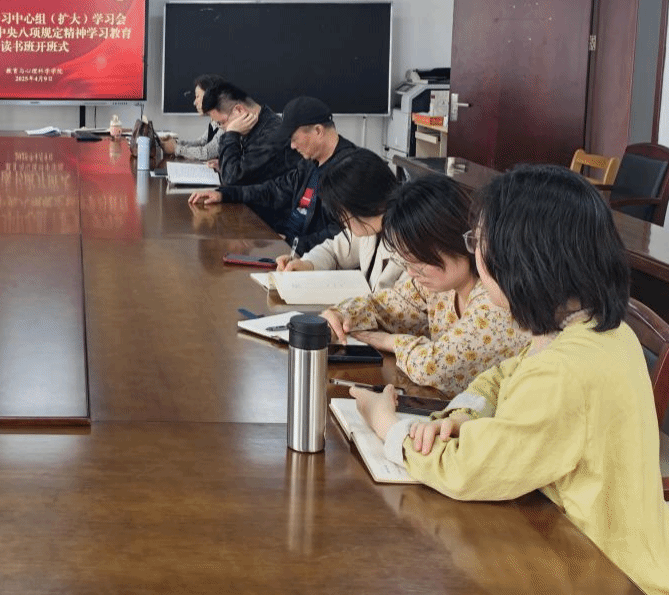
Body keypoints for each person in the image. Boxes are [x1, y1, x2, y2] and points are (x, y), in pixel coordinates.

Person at [352, 165, 669, 593]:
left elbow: (469, 468)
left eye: (478, 242)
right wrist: (463, 415)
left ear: (523, 260)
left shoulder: (564, 372)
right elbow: (505, 374)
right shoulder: (594, 331)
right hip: (598, 540)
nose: (474, 253)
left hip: (604, 569)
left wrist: (389, 428)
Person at [320, 174, 528, 396]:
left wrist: (392, 342)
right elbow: (383, 307)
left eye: (420, 261)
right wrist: (340, 315)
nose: (411, 272)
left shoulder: (495, 299)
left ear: (454, 239)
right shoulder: (439, 287)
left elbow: (434, 368)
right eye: (406, 261)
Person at [189, 96, 355, 255]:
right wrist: (224, 194)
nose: (292, 146)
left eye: (294, 138)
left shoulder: (350, 170)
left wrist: (291, 243)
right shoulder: (311, 160)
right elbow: (275, 189)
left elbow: (345, 236)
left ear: (318, 131)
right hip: (286, 243)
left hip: (307, 255)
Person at [277, 147, 404, 294]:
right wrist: (308, 265)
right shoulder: (369, 227)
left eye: (343, 214)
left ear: (361, 205)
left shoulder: (407, 245)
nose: (343, 222)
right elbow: (333, 251)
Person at [198, 81, 295, 186]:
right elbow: (244, 169)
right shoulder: (257, 126)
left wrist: (231, 133)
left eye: (221, 123)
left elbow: (232, 180)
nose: (224, 129)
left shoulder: (271, 135)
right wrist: (225, 165)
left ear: (239, 110)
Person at [160, 74, 223, 161]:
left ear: (210, 97)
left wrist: (176, 148)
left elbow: (206, 152)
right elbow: (202, 142)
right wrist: (176, 143)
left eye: (197, 96)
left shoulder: (225, 124)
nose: (194, 102)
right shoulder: (214, 122)